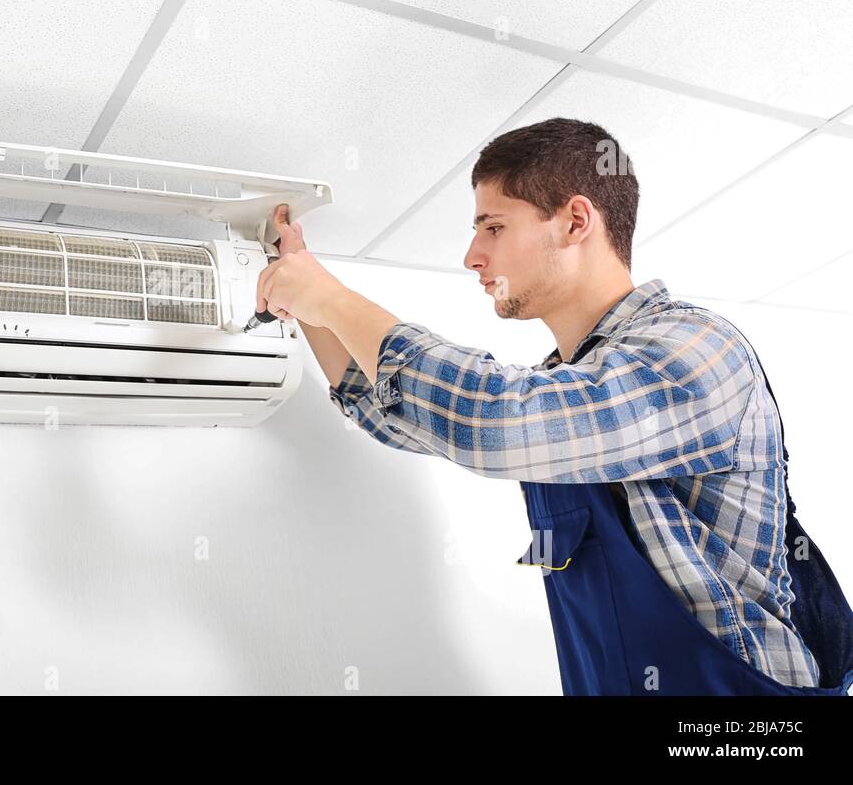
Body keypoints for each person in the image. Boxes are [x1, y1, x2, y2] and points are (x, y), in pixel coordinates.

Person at [256, 117, 853, 696]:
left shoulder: (693, 349)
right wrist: (304, 290)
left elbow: (491, 423)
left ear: (575, 221)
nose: (472, 256)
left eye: (493, 228)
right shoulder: (566, 388)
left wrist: (329, 297)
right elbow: (393, 409)